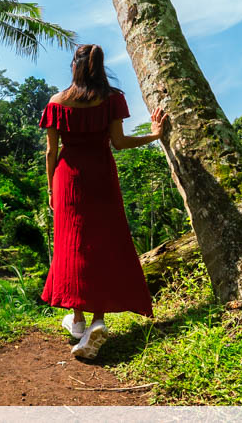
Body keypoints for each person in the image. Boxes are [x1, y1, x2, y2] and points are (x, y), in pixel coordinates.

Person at [40, 43, 166, 359]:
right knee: (101, 245)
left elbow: (51, 152)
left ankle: (78, 320)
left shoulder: (56, 103)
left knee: (71, 245)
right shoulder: (112, 99)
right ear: (99, 67)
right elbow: (119, 142)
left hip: (67, 179)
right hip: (101, 177)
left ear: (75, 66)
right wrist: (154, 135)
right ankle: (95, 319)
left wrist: (51, 190)